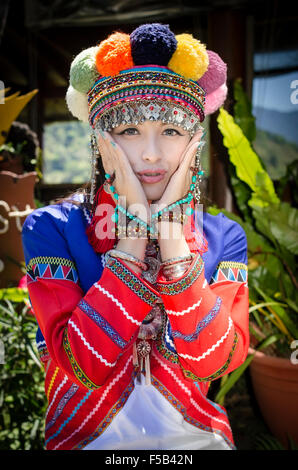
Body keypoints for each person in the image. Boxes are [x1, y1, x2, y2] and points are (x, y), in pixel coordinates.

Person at [22, 23, 249, 451]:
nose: (150, 153)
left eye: (170, 131)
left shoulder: (224, 236)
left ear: (194, 141)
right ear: (100, 141)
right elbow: (82, 365)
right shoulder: (51, 228)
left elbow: (211, 362)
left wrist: (172, 240)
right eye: (129, 131)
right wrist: (129, 240)